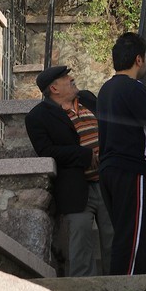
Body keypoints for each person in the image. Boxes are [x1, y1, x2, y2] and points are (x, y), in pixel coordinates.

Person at [96, 32, 146, 275]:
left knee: (142, 237)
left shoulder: (106, 90)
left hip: (109, 170)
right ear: (139, 59)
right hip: (131, 171)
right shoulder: (133, 88)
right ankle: (123, 288)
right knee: (132, 240)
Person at [25, 65, 108, 276]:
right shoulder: (37, 117)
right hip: (76, 190)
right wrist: (83, 156)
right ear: (54, 88)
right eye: (65, 78)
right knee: (80, 247)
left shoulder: (88, 99)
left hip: (108, 183)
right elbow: (46, 150)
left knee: (115, 242)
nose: (71, 78)